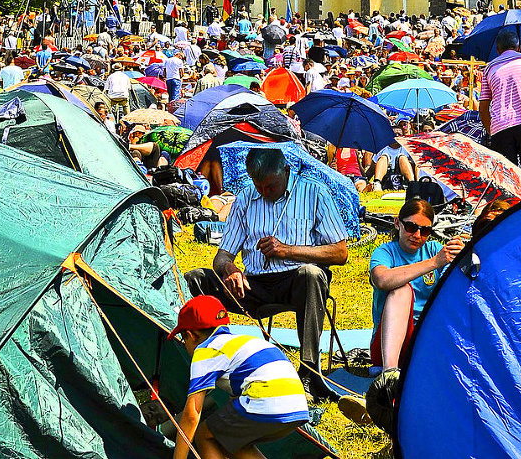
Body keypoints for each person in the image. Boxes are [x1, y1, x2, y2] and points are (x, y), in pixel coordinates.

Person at [186, 147, 349, 400]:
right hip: (253, 285)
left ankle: (308, 374)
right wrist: (231, 270)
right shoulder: (245, 198)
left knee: (311, 275)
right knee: (196, 278)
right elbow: (222, 256)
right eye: (258, 185)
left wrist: (288, 251)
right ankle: (200, 358)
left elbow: (340, 253)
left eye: (271, 186)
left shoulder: (314, 192)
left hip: (296, 281)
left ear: (286, 171)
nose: (264, 192)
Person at [169, 294, 310, 459]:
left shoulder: (206, 350)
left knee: (204, 435)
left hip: (264, 400)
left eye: (183, 339)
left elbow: (192, 413)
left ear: (191, 335)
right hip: (297, 407)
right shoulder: (244, 342)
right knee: (230, 440)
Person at [368, 198, 462, 370]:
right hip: (387, 345)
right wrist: (434, 263)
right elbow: (381, 279)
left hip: (427, 338)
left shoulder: (435, 249)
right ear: (397, 223)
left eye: (425, 230)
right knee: (402, 290)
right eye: (411, 228)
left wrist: (462, 256)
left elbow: (454, 291)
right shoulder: (385, 252)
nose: (417, 236)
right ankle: (389, 374)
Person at [478, 28, 521, 177]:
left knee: (508, 180)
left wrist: (491, 131)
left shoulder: (489, 68)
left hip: (500, 128)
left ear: (498, 50)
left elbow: (483, 108)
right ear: (519, 47)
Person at [364, 126, 417, 191]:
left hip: (403, 178)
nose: (396, 136)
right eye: (394, 134)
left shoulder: (408, 149)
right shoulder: (382, 148)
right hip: (386, 178)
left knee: (402, 157)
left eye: (399, 134)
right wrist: (365, 181)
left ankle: (412, 184)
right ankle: (377, 183)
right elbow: (371, 169)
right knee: (384, 157)